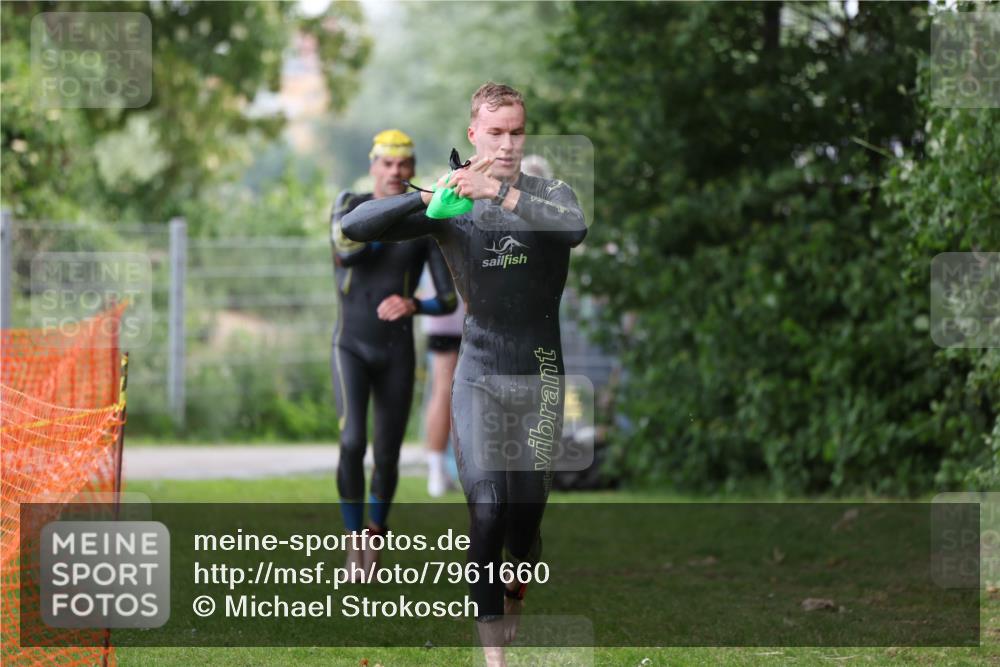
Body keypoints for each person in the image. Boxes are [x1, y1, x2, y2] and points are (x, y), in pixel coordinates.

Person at [341, 83, 587, 664]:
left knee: (524, 519)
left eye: (516, 132)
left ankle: (517, 578)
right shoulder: (455, 201)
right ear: (474, 134)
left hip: (540, 373)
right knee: (488, 507)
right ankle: (493, 657)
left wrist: (498, 192)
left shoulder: (550, 194)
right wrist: (428, 202)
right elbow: (357, 225)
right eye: (495, 132)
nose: (506, 143)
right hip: (477, 368)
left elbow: (573, 228)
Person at [329, 129, 457, 581]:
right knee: (351, 444)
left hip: (397, 351)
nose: (396, 173)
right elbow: (348, 253)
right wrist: (403, 209)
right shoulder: (349, 206)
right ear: (373, 166)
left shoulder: (424, 225)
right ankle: (352, 544)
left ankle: (375, 538)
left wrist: (413, 304)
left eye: (404, 165)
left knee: (387, 456)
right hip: (351, 344)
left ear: (412, 169)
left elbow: (448, 301)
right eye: (387, 164)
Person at [421, 288, 465, 497]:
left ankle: (441, 470)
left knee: (447, 390)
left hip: (454, 313)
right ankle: (437, 469)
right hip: (452, 315)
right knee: (444, 389)